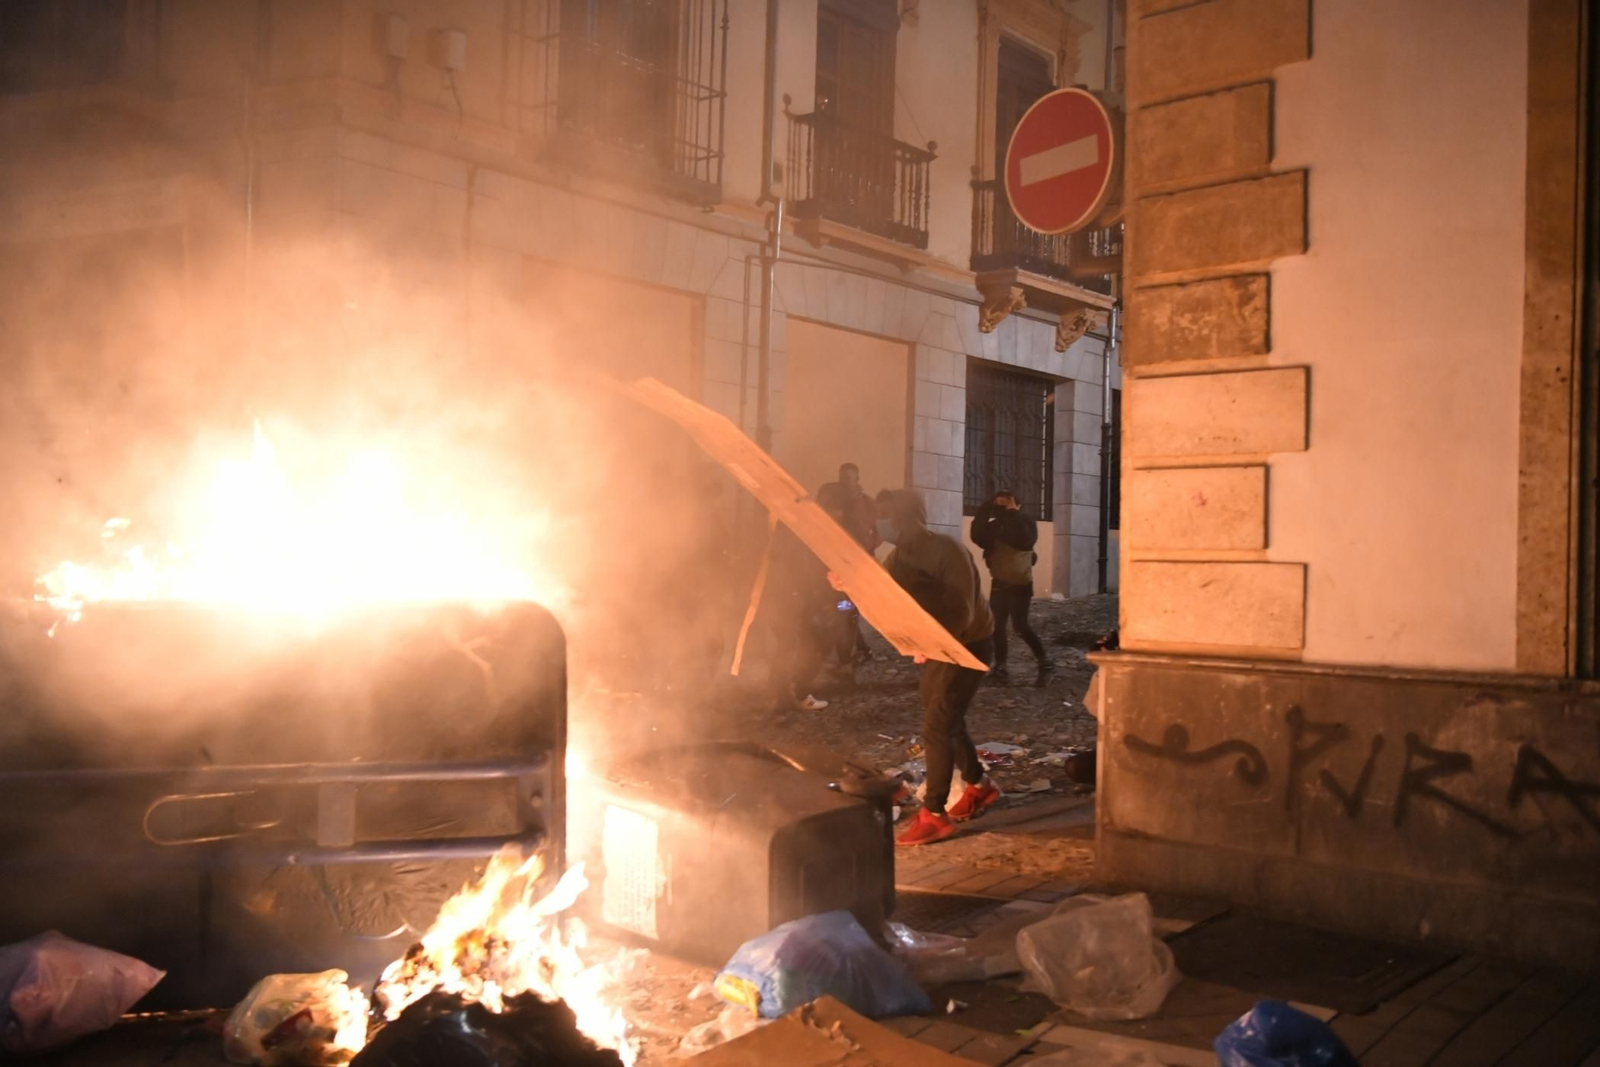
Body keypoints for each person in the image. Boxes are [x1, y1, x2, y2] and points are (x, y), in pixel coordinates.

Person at [872, 489, 1002, 845]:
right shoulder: (898, 558)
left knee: (937, 726)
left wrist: (932, 644)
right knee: (945, 717)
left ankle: (935, 814)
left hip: (967, 646)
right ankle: (979, 785)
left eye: (888, 515)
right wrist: (848, 586)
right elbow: (881, 594)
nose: (882, 523)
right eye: (879, 515)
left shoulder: (946, 550)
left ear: (909, 517)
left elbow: (963, 611)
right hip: (936, 647)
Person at [971, 489, 1054, 686]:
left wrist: (1012, 513)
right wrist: (985, 508)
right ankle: (1001, 668)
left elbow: (1025, 539)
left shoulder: (1026, 522)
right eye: (999, 505)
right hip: (999, 582)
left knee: (1021, 626)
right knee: (997, 627)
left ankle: (1045, 662)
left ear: (1018, 505)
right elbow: (978, 536)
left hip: (1020, 585)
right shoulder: (995, 526)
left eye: (1006, 504)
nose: (1002, 508)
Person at [816, 462, 877, 672]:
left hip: (858, 568)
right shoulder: (830, 497)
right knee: (840, 609)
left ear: (857, 479)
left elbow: (877, 532)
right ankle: (856, 648)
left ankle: (846, 660)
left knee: (847, 610)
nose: (846, 482)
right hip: (832, 565)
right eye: (843, 478)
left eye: (850, 478)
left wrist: (867, 549)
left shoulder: (867, 504)